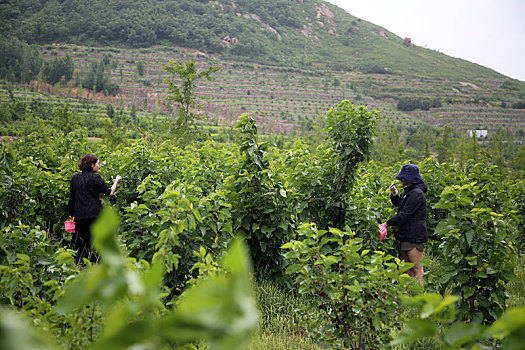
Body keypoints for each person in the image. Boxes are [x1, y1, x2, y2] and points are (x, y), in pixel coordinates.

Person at [68, 154, 121, 263]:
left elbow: (72, 199)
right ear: (92, 165)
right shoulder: (96, 178)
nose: (99, 166)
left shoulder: (75, 178)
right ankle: (95, 263)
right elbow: (109, 192)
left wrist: (71, 215)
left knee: (81, 242)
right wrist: (116, 181)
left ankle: (80, 264)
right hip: (95, 215)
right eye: (98, 163)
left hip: (79, 215)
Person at [381, 164, 427, 282]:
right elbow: (400, 204)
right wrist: (395, 194)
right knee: (407, 269)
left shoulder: (416, 193)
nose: (400, 179)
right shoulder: (409, 191)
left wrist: (386, 224)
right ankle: (407, 296)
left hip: (415, 236)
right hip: (406, 234)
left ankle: (421, 298)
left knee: (417, 269)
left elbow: (404, 215)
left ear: (409, 178)